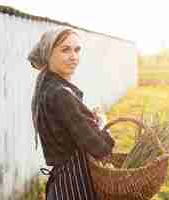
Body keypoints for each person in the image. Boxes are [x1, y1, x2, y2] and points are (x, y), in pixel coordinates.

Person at [27, 27, 115, 200]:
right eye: (65, 50)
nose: (74, 56)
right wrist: (103, 124)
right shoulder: (61, 94)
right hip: (75, 185)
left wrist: (89, 120)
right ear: (48, 54)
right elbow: (100, 147)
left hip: (62, 183)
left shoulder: (47, 87)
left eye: (77, 49)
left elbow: (68, 130)